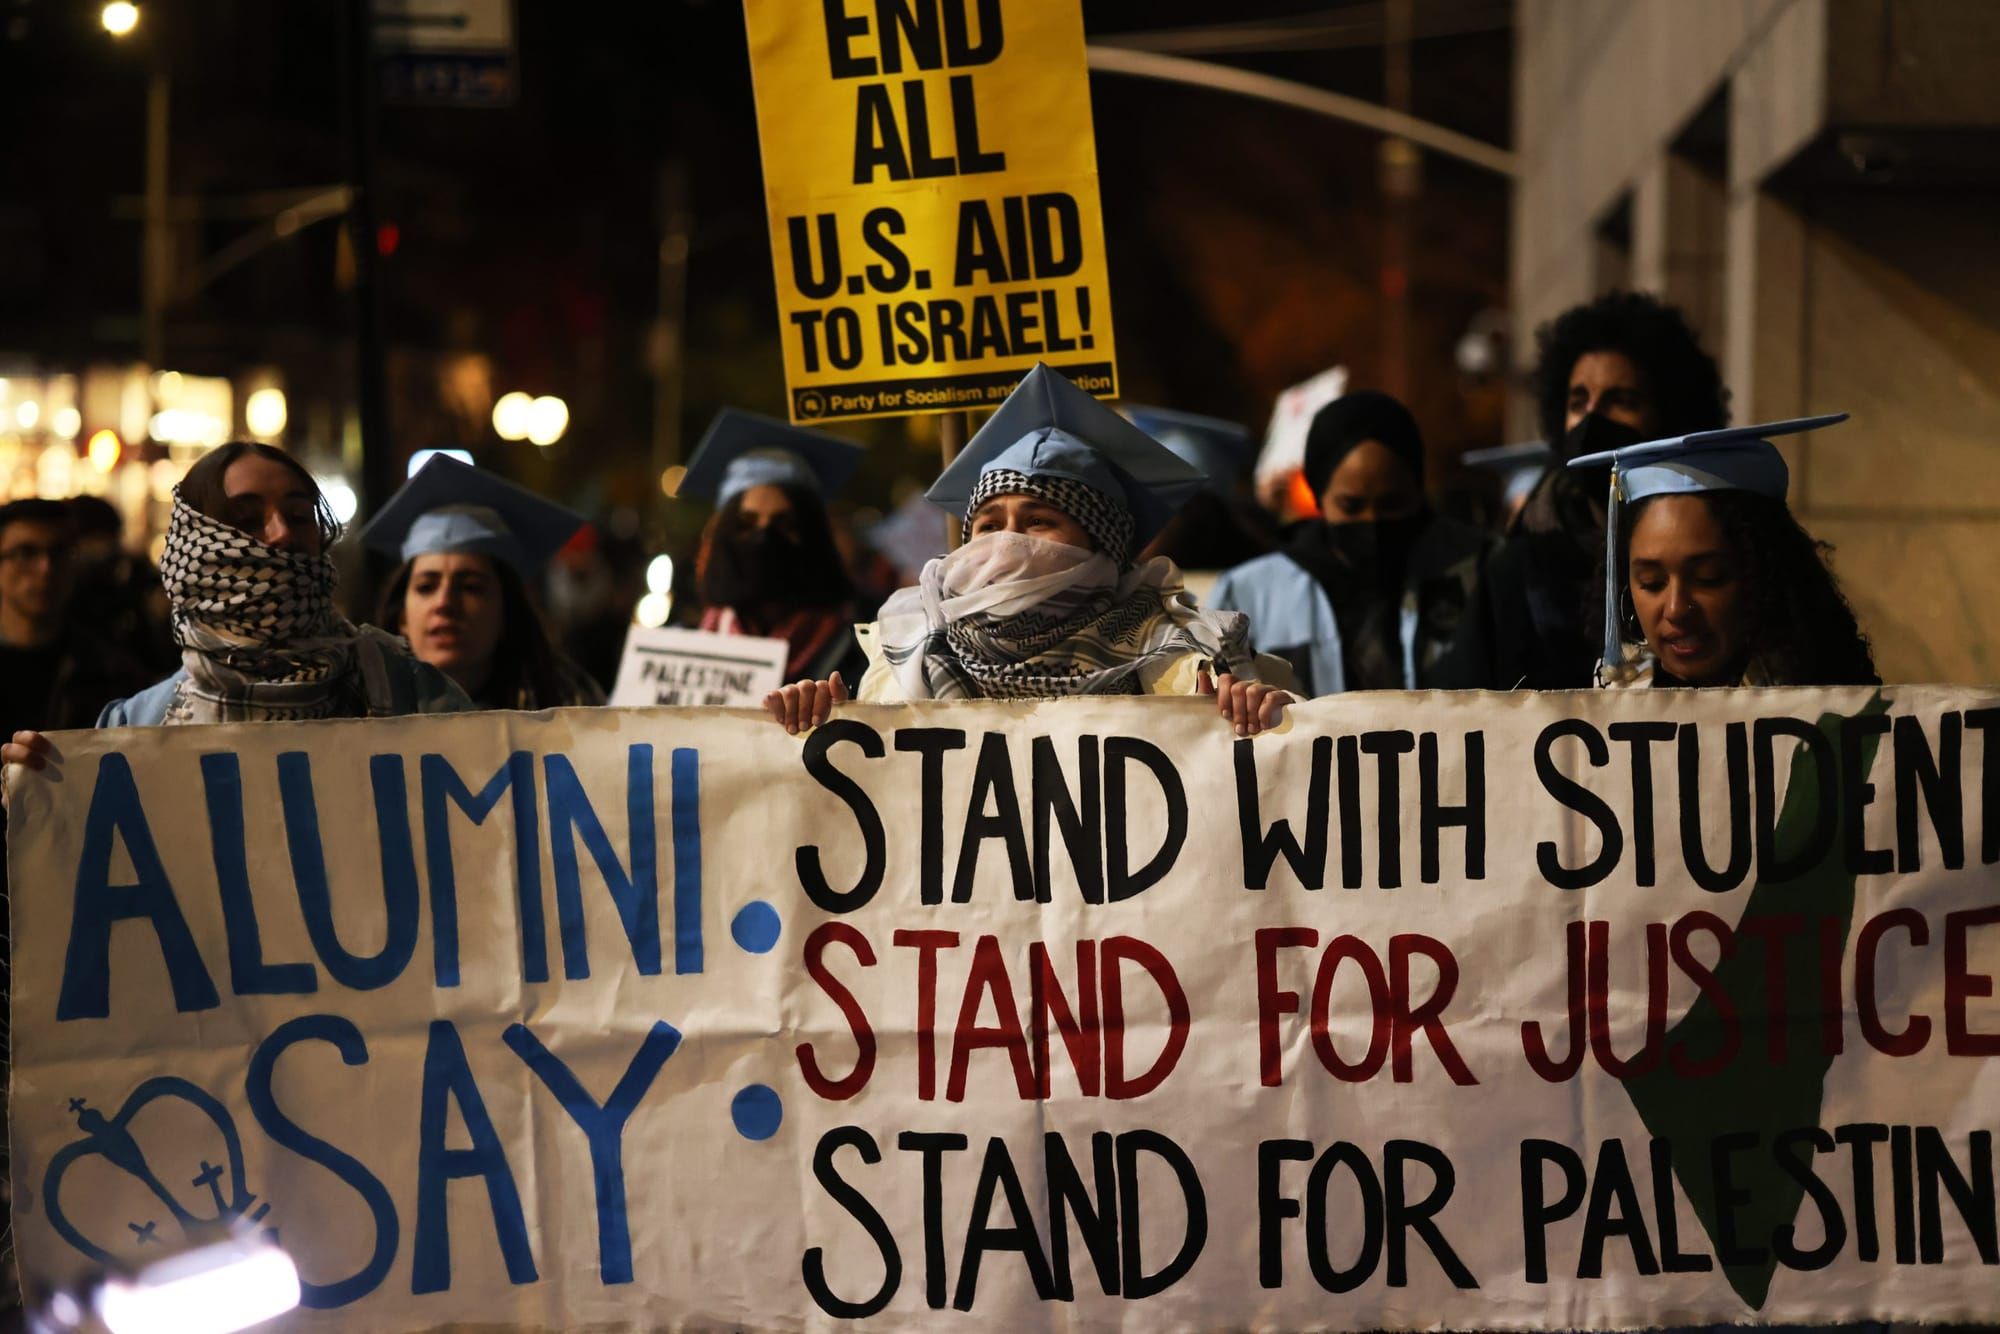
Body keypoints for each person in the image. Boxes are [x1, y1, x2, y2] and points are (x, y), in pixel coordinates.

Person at [763, 363, 1296, 736]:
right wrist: (819, 725)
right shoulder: (901, 662)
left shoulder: (1191, 661)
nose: (1008, 542)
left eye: (1039, 521)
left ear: (1102, 543)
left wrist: (1262, 720)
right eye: (989, 525)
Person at [4, 442, 467, 767]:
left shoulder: (410, 689)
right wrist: (46, 794)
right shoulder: (137, 725)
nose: (282, 534)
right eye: (247, 520)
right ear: (201, 546)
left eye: (299, 515)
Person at [1437, 292, 1730, 690]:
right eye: (1579, 401)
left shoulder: (1726, 539)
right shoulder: (1518, 567)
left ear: (1671, 413)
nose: (1593, 420)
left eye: (1621, 401)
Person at [1210, 391, 1493, 695]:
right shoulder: (1250, 594)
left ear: (1418, 488)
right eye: (1351, 506)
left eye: (1392, 503)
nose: (1373, 521)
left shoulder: (1482, 570)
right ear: (1320, 496)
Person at [1569, 413, 1878, 688]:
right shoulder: (1614, 699)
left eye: (1709, 578)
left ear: (1765, 576)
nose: (1676, 609)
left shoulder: (1829, 705)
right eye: (1651, 582)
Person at [362, 454, 605, 710]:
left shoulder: (567, 713)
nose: (444, 602)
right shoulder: (363, 716)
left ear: (507, 612)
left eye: (471, 587)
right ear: (402, 618)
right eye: (426, 587)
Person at [681, 409, 870, 684]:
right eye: (747, 521)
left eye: (784, 524)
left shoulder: (858, 649)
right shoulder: (685, 642)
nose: (764, 536)